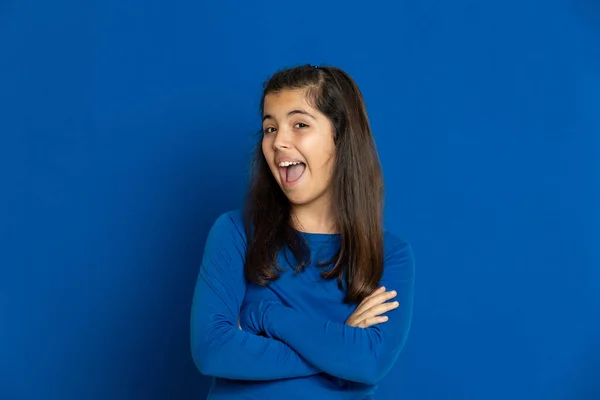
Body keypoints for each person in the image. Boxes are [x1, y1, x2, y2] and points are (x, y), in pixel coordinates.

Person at [190, 64, 415, 399]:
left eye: (299, 124)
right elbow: (213, 350)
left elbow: (368, 362)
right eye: (269, 128)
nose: (279, 141)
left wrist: (263, 315)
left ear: (341, 137)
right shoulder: (235, 232)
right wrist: (340, 342)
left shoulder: (390, 255)